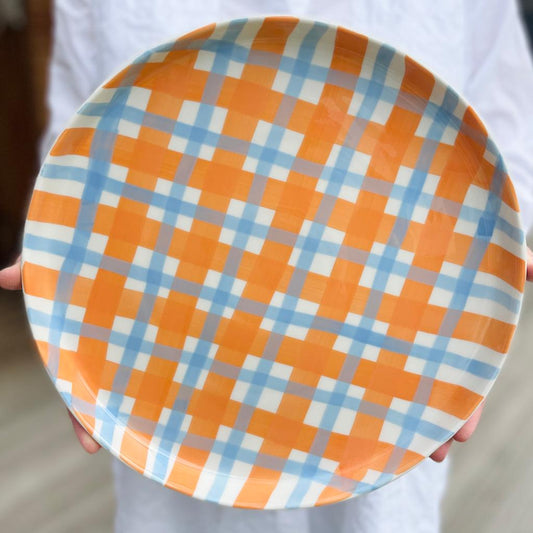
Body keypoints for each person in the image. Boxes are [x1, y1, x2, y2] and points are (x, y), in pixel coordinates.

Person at [1, 0, 533, 531]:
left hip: (389, 406)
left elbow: (508, 129)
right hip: (170, 411)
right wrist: (59, 277)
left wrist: (491, 277)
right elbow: (79, 149)